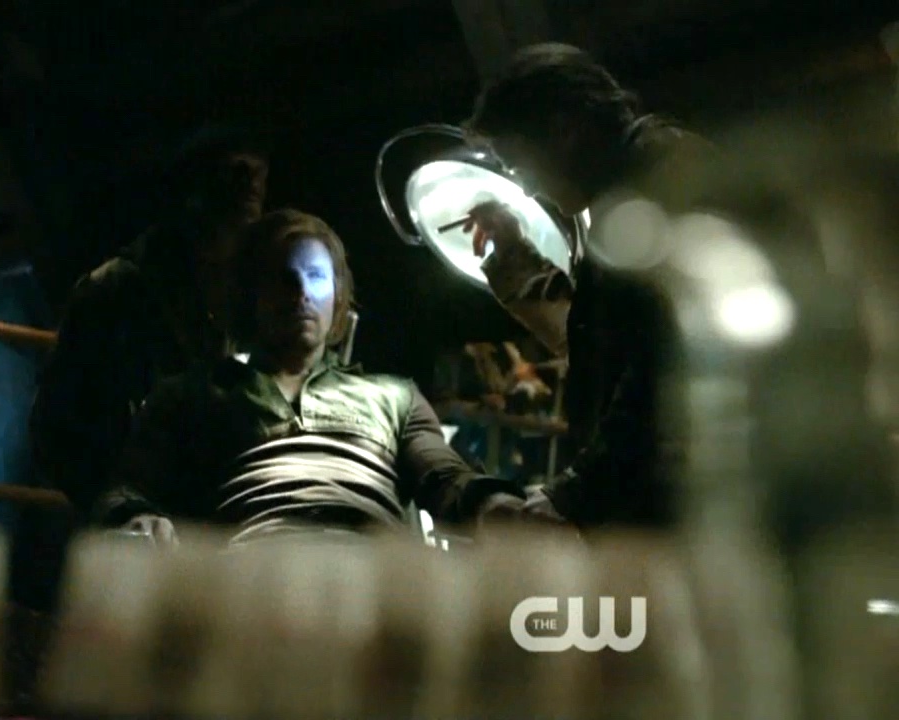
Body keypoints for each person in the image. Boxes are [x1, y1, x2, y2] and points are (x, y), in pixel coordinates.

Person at [94, 209, 534, 544]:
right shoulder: (193, 394)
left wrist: (492, 502)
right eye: (284, 279)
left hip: (373, 574)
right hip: (246, 576)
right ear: (251, 295)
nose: (302, 292)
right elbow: (126, 488)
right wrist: (135, 518)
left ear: (338, 296)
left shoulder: (392, 395)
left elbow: (444, 476)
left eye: (317, 276)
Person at [456, 43, 717, 530]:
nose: (527, 188)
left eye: (520, 164)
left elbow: (664, 364)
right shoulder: (626, 198)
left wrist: (573, 493)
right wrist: (519, 263)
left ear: (564, 130)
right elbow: (611, 345)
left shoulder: (663, 175)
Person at [28, 125, 271, 518]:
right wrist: (118, 505)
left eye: (258, 173)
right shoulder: (119, 288)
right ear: (197, 183)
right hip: (139, 518)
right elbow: (56, 427)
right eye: (235, 171)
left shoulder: (264, 293)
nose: (250, 186)